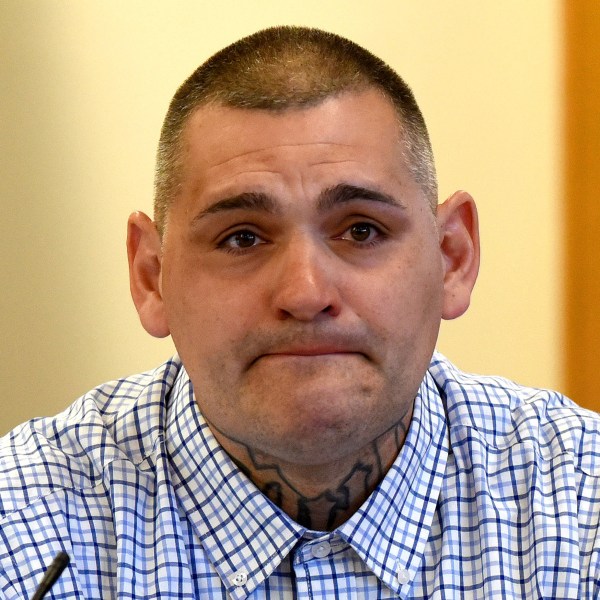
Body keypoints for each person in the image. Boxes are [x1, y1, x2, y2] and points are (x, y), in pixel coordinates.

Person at [1, 26, 599, 600]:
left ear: (452, 257)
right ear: (151, 276)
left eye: (361, 230)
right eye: (242, 238)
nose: (307, 292)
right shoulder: (22, 524)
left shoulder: (581, 506)